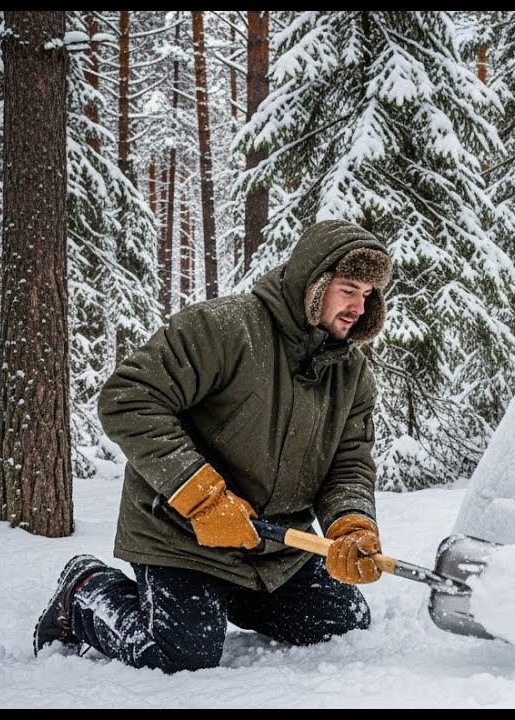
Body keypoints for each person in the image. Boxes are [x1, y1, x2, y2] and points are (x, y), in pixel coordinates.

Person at [33, 219, 393, 673]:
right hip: (182, 536)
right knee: (179, 657)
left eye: (368, 295)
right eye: (349, 289)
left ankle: (236, 598)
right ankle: (84, 590)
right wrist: (202, 499)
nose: (359, 306)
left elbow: (348, 462)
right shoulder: (225, 329)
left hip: (273, 546)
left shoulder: (352, 374)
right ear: (314, 284)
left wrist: (350, 524)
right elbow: (129, 399)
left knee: (344, 620)